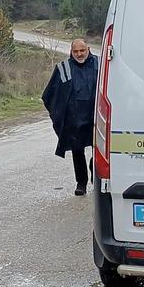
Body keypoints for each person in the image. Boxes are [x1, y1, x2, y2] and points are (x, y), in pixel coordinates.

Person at [42, 38, 98, 195]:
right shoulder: (63, 68)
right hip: (75, 118)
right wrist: (60, 114)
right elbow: (50, 95)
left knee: (99, 149)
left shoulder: (100, 65)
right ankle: (81, 183)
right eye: (76, 51)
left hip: (97, 118)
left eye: (82, 50)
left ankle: (95, 170)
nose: (79, 54)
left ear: (88, 49)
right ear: (71, 52)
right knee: (77, 150)